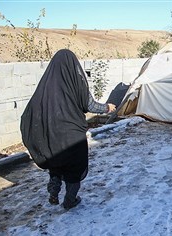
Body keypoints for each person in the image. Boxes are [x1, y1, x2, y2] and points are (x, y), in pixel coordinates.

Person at [20, 49, 116, 210]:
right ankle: (70, 200)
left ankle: (53, 192)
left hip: (51, 134)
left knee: (56, 164)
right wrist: (108, 107)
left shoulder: (46, 85)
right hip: (72, 134)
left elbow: (31, 111)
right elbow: (89, 105)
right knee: (74, 168)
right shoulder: (76, 82)